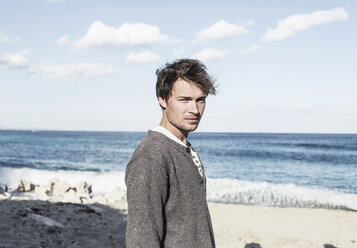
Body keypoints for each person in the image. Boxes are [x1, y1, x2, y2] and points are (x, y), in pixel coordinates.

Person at [125, 58, 217, 248]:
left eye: (200, 100)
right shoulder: (151, 157)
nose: (194, 110)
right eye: (184, 100)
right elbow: (142, 240)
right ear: (162, 99)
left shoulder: (183, 148)